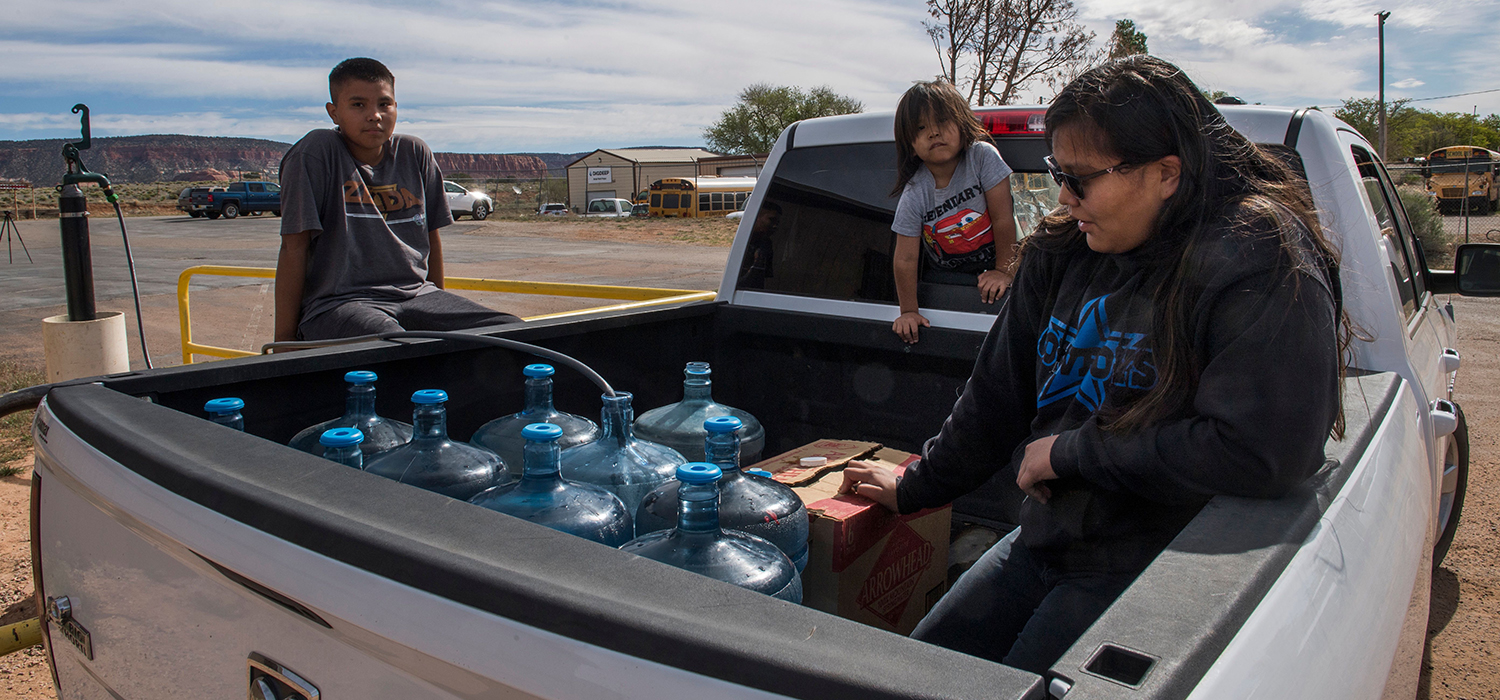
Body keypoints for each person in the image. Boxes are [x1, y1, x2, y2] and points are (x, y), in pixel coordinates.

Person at [839, 55, 1347, 673]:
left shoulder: (1254, 257)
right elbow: (996, 397)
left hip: (1151, 572)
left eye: (1081, 179)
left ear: (1166, 174)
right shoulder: (1064, 247)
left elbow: (1263, 449)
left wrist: (1073, 452)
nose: (1063, 197)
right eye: (1059, 172)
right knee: (907, 676)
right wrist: (916, 487)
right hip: (1041, 541)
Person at [275, 57, 521, 342]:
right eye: (358, 105)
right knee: (395, 345)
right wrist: (283, 341)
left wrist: (437, 303)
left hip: (417, 295)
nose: (374, 115)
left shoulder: (414, 153)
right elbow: (293, 248)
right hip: (339, 304)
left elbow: (431, 239)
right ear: (334, 112)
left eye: (384, 104)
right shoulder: (316, 152)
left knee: (511, 332)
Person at [889, 80, 1020, 344]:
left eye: (941, 121)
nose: (933, 133)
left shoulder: (981, 157)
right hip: (946, 278)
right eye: (921, 128)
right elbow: (905, 259)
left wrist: (1004, 271)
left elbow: (1003, 218)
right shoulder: (915, 191)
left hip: (993, 262)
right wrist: (909, 311)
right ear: (910, 143)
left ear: (962, 123)